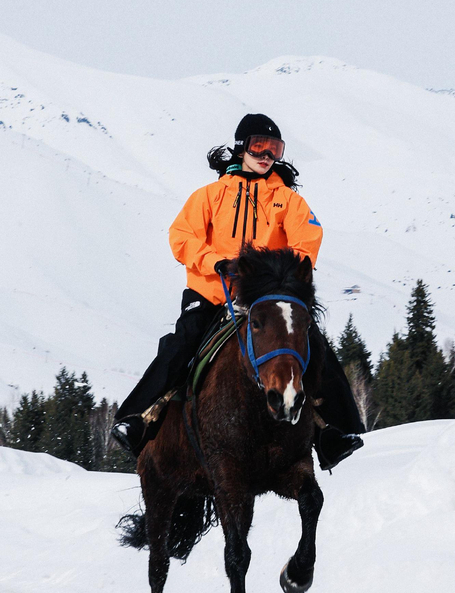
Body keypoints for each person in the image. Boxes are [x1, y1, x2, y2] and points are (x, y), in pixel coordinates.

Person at [111, 113, 364, 470]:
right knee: (180, 347)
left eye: (274, 149)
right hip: (213, 293)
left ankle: (334, 433)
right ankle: (136, 420)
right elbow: (181, 237)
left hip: (265, 299)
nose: (266, 155)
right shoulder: (210, 196)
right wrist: (214, 260)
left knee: (314, 346)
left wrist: (278, 275)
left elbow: (307, 242)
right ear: (242, 147)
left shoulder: (288, 201)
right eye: (259, 146)